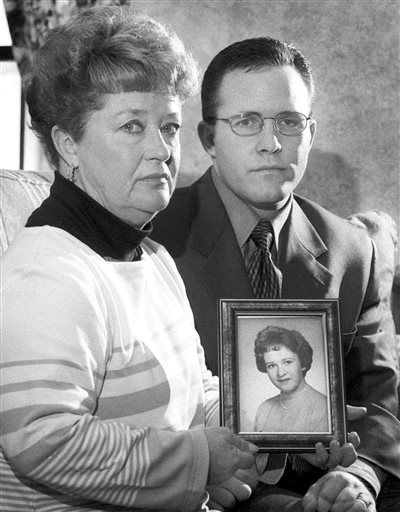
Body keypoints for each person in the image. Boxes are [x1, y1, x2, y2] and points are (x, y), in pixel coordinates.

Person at [0, 7, 265, 510]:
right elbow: (43, 441)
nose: (162, 150)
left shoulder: (152, 256)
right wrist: (200, 459)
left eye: (169, 127)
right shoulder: (46, 274)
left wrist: (277, 427)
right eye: (131, 127)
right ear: (67, 144)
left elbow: (195, 391)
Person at [151, 36, 400, 511]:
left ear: (310, 133)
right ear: (208, 138)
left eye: (290, 122)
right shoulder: (154, 236)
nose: (272, 143)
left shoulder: (353, 250)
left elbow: (380, 396)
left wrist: (359, 475)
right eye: (246, 122)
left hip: (322, 485)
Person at [253, 325, 328, 433]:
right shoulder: (264, 409)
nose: (280, 373)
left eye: (287, 362)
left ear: (302, 363)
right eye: (271, 366)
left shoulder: (323, 408)